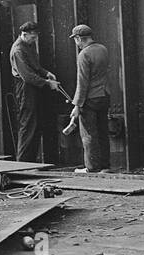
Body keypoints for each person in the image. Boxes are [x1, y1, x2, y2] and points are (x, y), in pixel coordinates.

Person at [9, 20, 61, 163]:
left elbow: (34, 66)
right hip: (26, 89)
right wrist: (47, 83)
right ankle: (22, 163)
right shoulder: (18, 50)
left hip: (34, 87)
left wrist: (46, 73)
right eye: (32, 37)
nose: (34, 40)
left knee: (34, 125)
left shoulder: (28, 45)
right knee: (28, 126)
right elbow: (27, 76)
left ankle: (29, 162)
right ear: (24, 34)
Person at [69, 23, 113, 173]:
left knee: (88, 134)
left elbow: (82, 82)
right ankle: (105, 166)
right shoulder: (103, 49)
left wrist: (77, 105)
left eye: (75, 39)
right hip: (104, 96)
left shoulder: (84, 55)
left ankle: (92, 167)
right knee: (102, 132)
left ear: (78, 38)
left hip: (90, 99)